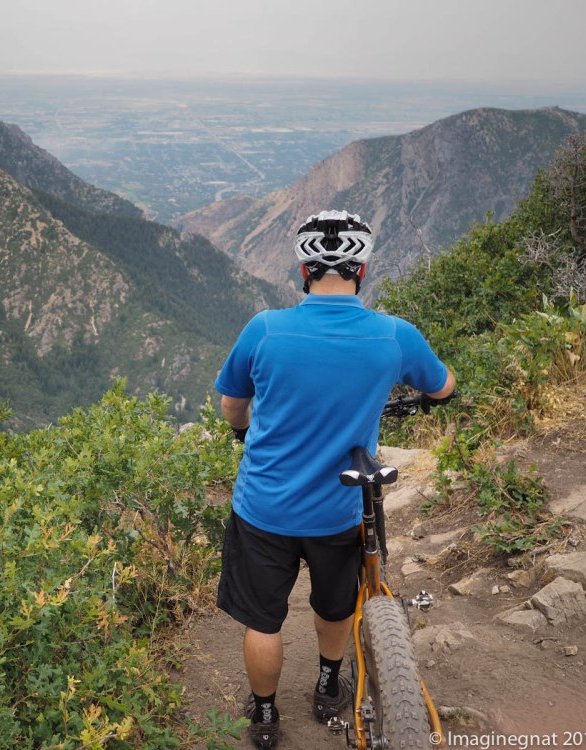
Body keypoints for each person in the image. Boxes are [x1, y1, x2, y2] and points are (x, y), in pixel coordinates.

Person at [214, 209, 456, 749]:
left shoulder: (266, 328)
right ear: (361, 270)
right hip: (341, 509)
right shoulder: (394, 335)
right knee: (334, 605)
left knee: (264, 620)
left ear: (304, 270)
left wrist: (242, 432)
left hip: (265, 508)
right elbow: (443, 387)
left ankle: (266, 717)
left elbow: (233, 406)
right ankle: (328, 687)